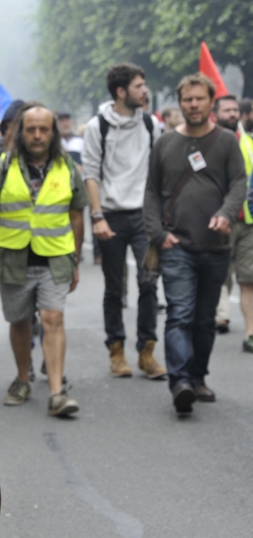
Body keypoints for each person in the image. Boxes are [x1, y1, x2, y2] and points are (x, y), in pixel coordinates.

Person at [144, 73, 247, 414]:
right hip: (177, 247)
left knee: (205, 320)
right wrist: (159, 235)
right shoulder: (164, 143)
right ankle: (180, 383)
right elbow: (151, 193)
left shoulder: (227, 141)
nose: (193, 104)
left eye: (200, 99)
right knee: (180, 314)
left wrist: (226, 213)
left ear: (210, 102)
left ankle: (198, 377)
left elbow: (238, 184)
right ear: (180, 103)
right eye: (187, 99)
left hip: (217, 246)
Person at [0, 102, 86, 416]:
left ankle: (57, 393)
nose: (37, 135)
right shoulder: (3, 165)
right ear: (20, 132)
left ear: (53, 133)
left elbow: (77, 216)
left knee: (53, 319)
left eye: (44, 129)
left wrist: (75, 261)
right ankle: (23, 379)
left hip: (55, 259)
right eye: (31, 129)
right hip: (13, 260)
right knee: (20, 321)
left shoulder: (67, 166)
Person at [81, 63, 166, 380]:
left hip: (145, 217)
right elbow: (90, 172)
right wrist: (98, 215)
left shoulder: (149, 123)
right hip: (111, 217)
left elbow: (158, 169)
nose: (146, 91)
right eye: (139, 86)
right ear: (121, 91)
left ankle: (147, 353)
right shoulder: (97, 126)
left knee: (149, 283)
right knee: (114, 288)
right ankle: (116, 352)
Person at [211, 95, 253, 346]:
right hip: (218, 220)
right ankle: (219, 317)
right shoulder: (208, 143)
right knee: (219, 277)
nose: (233, 114)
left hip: (247, 222)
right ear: (215, 114)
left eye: (235, 110)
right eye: (227, 110)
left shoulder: (248, 142)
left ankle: (250, 333)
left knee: (248, 279)